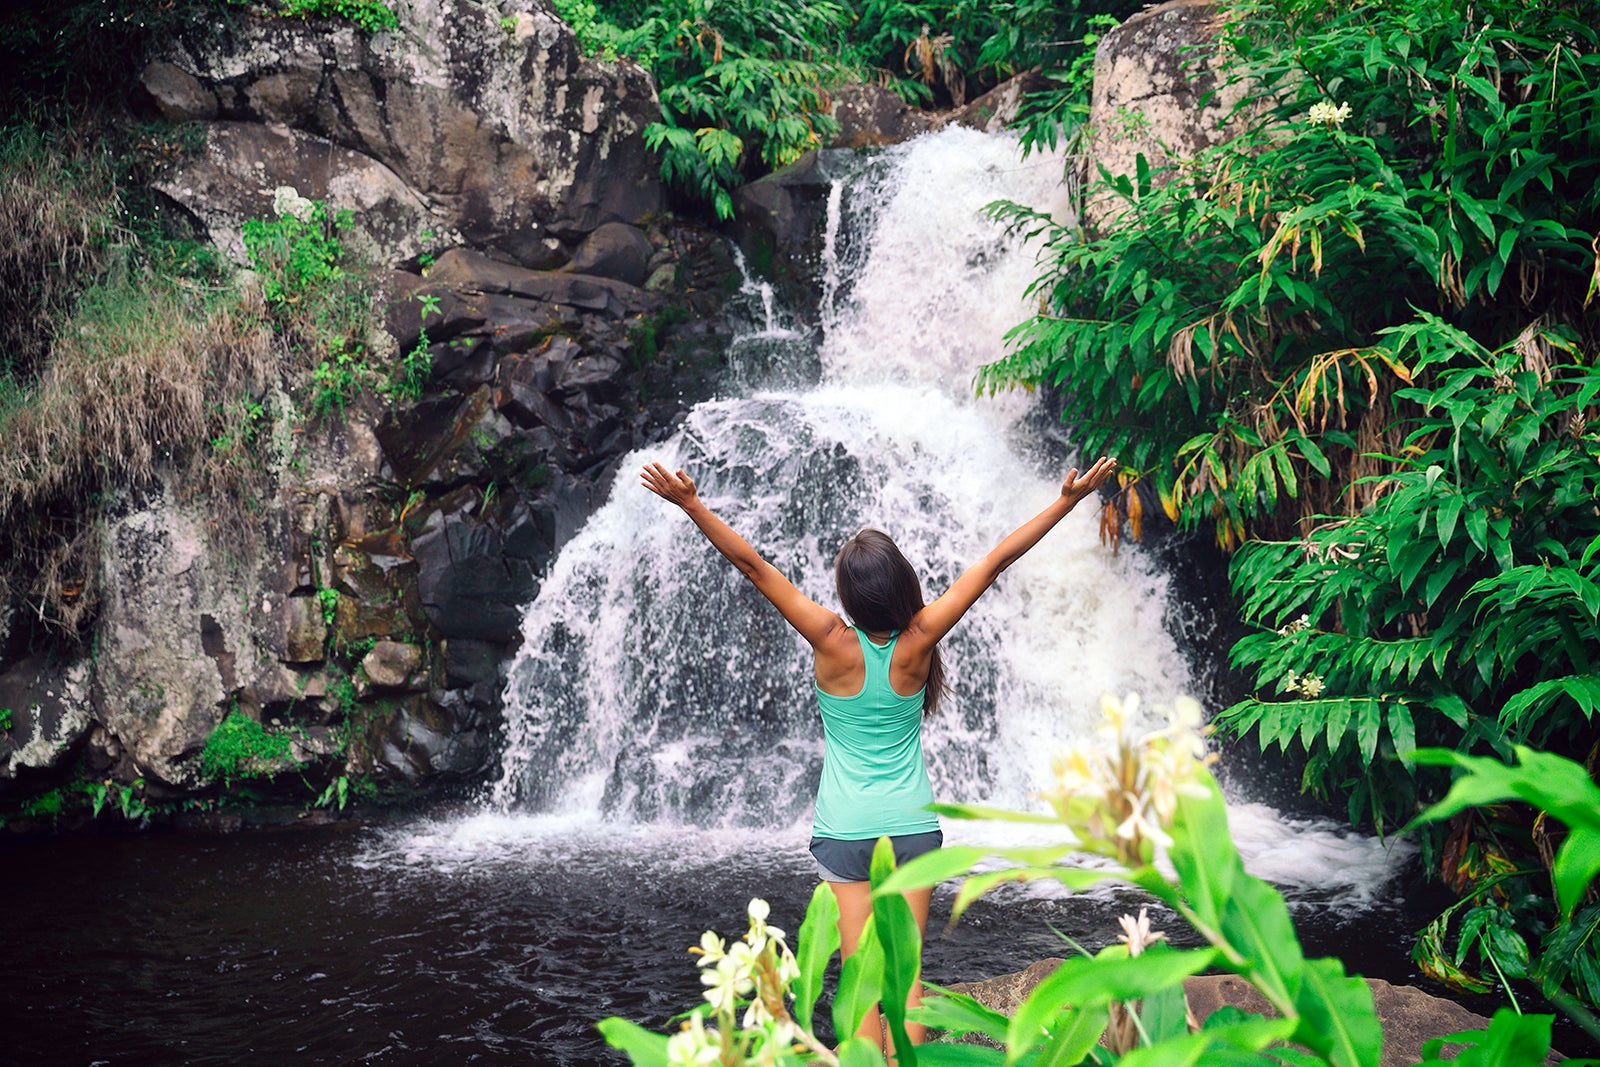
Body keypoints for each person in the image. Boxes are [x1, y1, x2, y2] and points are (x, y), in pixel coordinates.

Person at [640, 455, 1118, 1055]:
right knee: (906, 982)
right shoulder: (921, 639)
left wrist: (690, 504)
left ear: (848, 595)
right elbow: (995, 561)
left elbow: (754, 567)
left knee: (863, 983)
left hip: (845, 831)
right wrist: (1067, 501)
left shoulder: (828, 638)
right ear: (901, 588)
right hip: (912, 828)